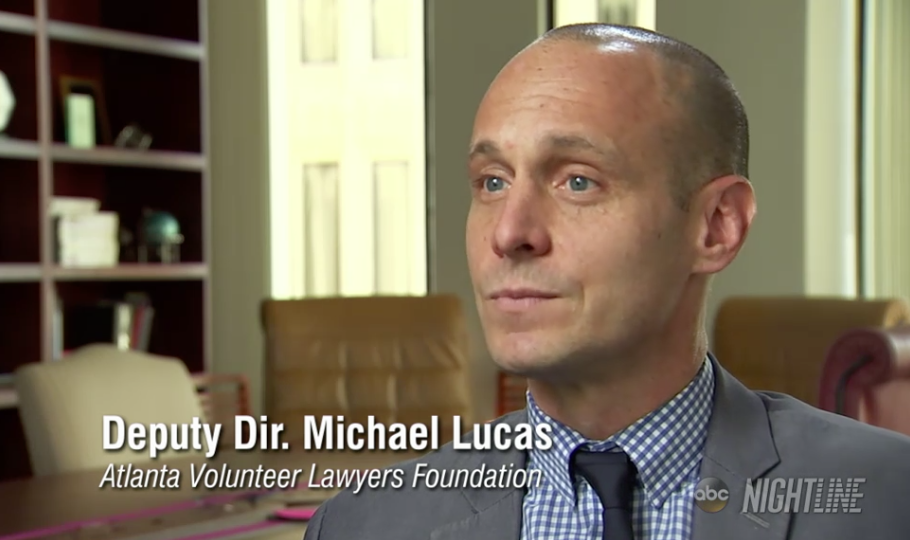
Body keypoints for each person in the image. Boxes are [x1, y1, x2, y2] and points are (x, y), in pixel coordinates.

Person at [303, 23, 910, 540]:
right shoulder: (363, 524)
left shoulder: (889, 500)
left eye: (577, 181)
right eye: (492, 181)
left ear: (716, 226)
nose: (509, 233)